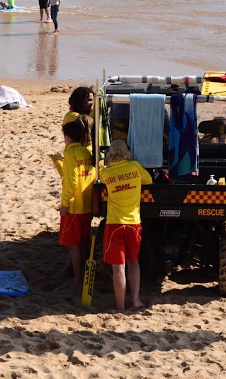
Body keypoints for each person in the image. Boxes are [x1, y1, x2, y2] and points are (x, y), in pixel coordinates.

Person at [100, 140, 151, 310]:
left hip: (114, 223)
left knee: (118, 267)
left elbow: (102, 175)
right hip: (133, 222)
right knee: (133, 262)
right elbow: (149, 180)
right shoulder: (135, 167)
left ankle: (120, 306)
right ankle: (135, 300)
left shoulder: (106, 173)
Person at [54, 116, 95, 291]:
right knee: (83, 242)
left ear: (68, 137)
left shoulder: (70, 153)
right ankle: (83, 277)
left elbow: (70, 182)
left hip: (74, 205)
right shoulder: (87, 152)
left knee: (75, 245)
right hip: (87, 203)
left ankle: (78, 280)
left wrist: (64, 204)